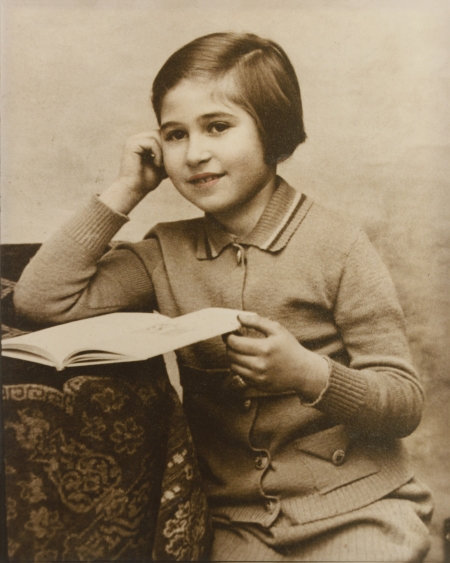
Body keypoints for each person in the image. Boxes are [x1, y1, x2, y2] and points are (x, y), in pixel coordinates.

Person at [14, 32, 433, 561]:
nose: (195, 153)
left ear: (274, 132)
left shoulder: (339, 246)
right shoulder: (166, 249)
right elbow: (42, 299)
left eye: (217, 127)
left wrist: (308, 374)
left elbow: (403, 402)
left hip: (358, 509)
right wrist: (125, 191)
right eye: (174, 134)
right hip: (238, 522)